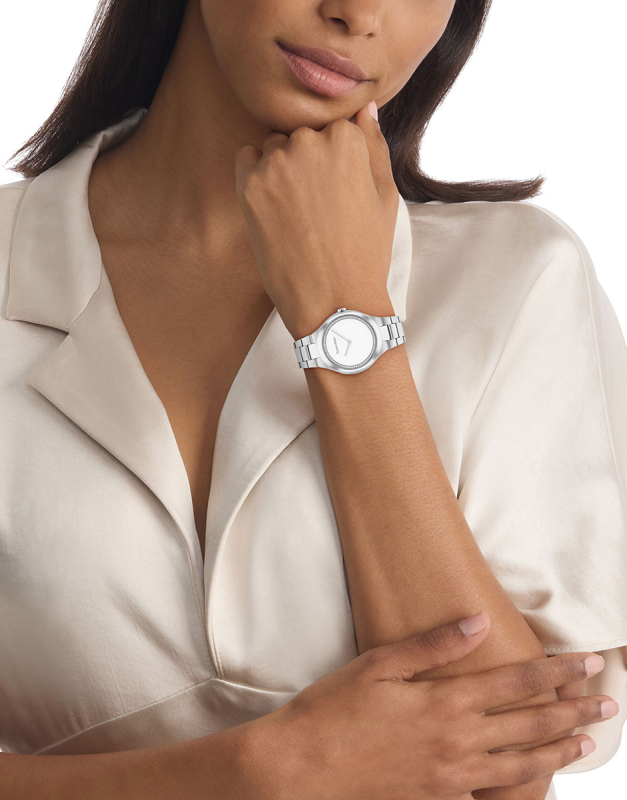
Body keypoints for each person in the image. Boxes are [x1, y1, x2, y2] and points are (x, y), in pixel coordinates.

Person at [0, 0, 625, 797]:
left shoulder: (516, 279)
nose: (357, 13)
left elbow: (507, 776)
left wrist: (342, 315)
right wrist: (258, 771)